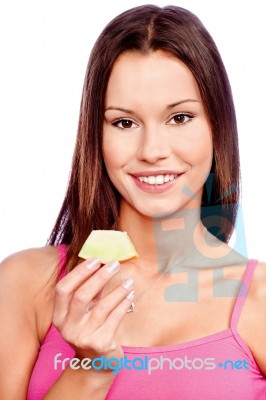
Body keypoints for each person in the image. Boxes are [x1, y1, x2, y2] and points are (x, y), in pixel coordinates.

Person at [0, 4, 265, 399]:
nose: (152, 151)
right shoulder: (25, 284)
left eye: (180, 118)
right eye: (124, 122)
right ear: (97, 135)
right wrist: (90, 369)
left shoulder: (260, 299)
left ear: (217, 126)